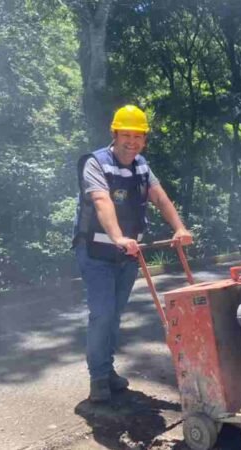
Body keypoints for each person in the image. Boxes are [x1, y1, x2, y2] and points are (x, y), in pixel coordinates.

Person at [72, 105, 191, 402]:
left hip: (127, 254)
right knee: (102, 314)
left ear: (145, 140)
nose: (132, 141)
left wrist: (179, 228)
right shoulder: (95, 163)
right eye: (126, 134)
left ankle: (107, 369)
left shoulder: (142, 166)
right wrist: (117, 237)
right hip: (97, 252)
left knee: (115, 315)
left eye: (138, 136)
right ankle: (98, 378)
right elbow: (102, 202)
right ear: (114, 134)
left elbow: (160, 198)